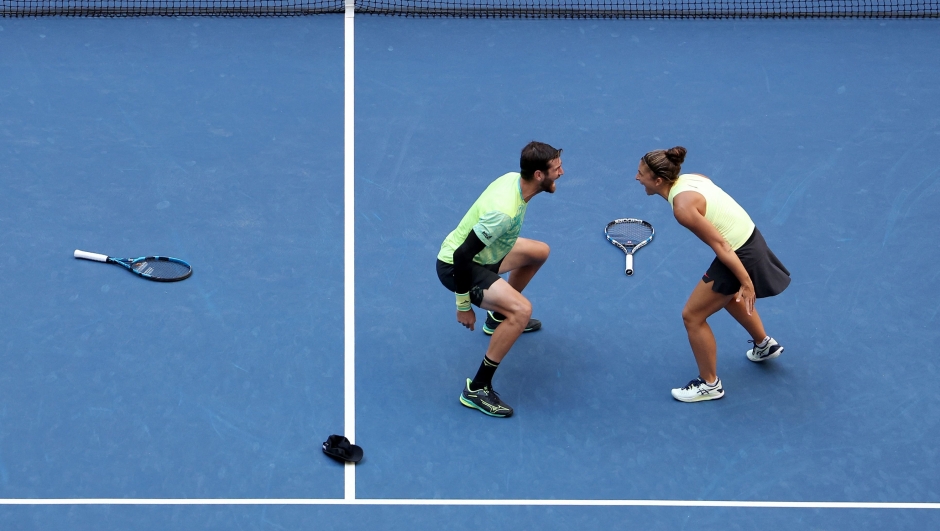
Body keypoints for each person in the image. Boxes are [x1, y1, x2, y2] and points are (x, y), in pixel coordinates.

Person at [635, 146, 790, 403]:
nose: (637, 178)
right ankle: (764, 345)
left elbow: (722, 246)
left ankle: (709, 384)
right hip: (752, 238)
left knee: (692, 316)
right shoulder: (693, 178)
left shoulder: (682, 209)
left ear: (658, 180)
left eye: (641, 174)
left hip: (738, 252)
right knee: (724, 294)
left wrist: (746, 282)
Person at [436, 141, 563, 417]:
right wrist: (463, 305)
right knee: (521, 310)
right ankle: (477, 389)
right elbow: (460, 256)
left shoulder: (515, 179)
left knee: (539, 252)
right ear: (539, 175)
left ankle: (497, 318)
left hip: (487, 255)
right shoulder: (503, 213)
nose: (561, 173)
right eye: (556, 168)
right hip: (459, 267)